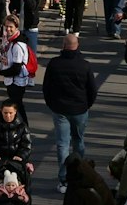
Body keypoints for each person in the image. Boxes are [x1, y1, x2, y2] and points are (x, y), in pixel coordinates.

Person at [41, 33, 99, 192]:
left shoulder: (54, 64)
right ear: (77, 45)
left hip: (60, 109)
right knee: (79, 141)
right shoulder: (85, 65)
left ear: (63, 45)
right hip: (80, 109)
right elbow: (92, 90)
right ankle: (79, 173)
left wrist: (52, 104)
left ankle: (64, 178)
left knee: (62, 144)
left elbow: (46, 87)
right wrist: (87, 105)